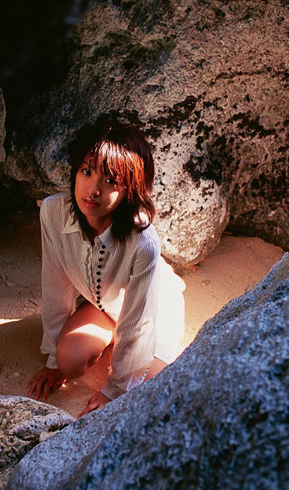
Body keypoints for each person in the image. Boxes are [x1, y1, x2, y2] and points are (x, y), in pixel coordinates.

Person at [26, 119, 183, 417]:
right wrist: (53, 362)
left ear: (130, 188)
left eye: (111, 180)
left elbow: (139, 322)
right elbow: (56, 286)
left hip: (153, 307)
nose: (93, 189)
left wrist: (115, 388)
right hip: (102, 306)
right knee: (69, 360)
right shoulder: (53, 212)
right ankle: (109, 336)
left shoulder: (143, 242)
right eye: (86, 171)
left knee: (156, 389)